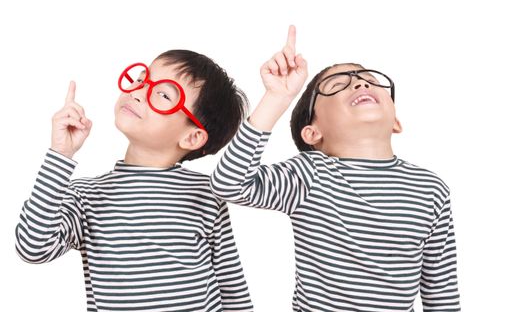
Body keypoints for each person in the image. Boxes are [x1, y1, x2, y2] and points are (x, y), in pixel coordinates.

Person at [210, 26, 461, 311]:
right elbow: (228, 184)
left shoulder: (430, 188)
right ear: (312, 133)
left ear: (396, 122)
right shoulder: (310, 175)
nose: (360, 84)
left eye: (369, 79)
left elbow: (440, 288)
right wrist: (276, 98)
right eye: (336, 85)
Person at [15, 50, 253, 311]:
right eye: (141, 80)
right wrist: (61, 155)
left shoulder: (206, 194)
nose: (137, 92)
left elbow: (232, 288)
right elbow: (32, 247)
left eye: (164, 94)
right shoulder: (86, 196)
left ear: (192, 138)